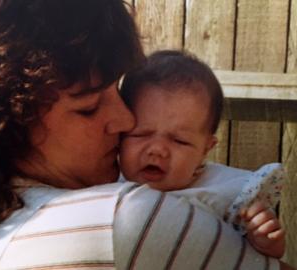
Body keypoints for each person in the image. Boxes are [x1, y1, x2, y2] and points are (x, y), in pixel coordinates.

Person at [0, 0, 294, 269]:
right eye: (87, 107)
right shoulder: (125, 218)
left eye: (115, 92)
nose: (123, 120)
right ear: (7, 123)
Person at [119, 50, 285, 258]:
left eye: (179, 141)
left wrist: (265, 242)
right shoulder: (106, 187)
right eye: (140, 134)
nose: (157, 150)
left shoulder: (226, 194)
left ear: (205, 149)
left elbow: (264, 260)